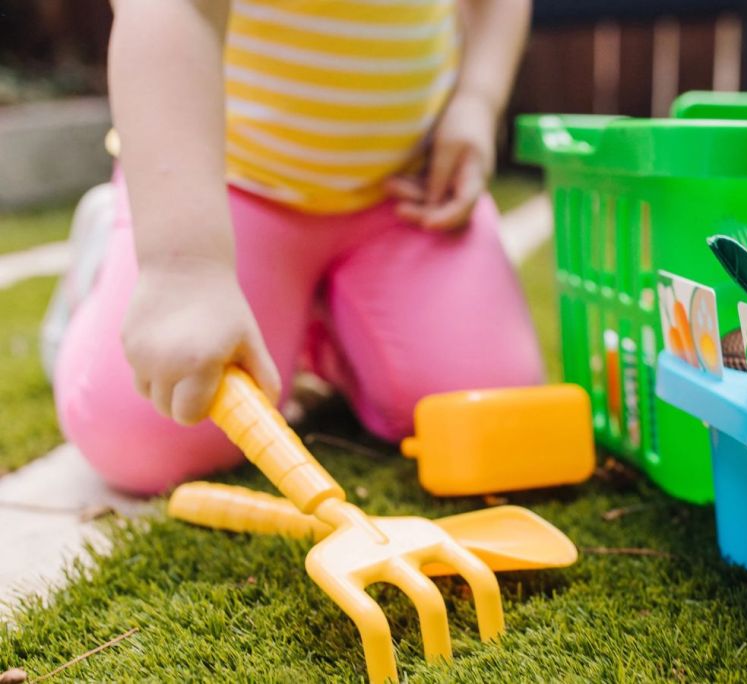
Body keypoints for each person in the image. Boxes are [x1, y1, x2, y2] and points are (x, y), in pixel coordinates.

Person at [50, 0, 543, 495]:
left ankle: (321, 322)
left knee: (492, 416)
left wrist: (475, 102)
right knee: (150, 437)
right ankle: (118, 248)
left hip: (405, 196)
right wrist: (182, 269)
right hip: (223, 196)